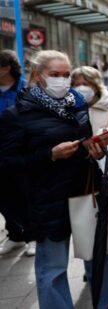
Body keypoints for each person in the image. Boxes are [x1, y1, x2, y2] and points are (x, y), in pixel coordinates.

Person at [0, 50, 108, 309]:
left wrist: (94, 146)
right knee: (52, 269)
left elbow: (85, 142)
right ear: (37, 76)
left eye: (66, 75)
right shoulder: (15, 115)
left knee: (99, 255)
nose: (62, 81)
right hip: (46, 201)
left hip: (84, 192)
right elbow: (8, 164)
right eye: (55, 75)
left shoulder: (76, 104)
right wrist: (49, 155)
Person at [72, 66, 108, 271]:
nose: (80, 88)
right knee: (88, 217)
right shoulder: (70, 107)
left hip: (107, 171)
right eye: (76, 84)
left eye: (85, 83)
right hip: (81, 172)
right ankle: (92, 264)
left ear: (95, 84)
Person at [0, 50, 36, 257]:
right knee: (3, 198)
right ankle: (15, 234)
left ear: (6, 68)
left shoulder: (26, 89)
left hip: (21, 151)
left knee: (24, 195)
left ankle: (32, 236)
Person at [71, 66, 108, 135]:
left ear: (96, 86)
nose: (80, 88)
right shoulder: (68, 109)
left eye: (85, 84)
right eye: (77, 85)